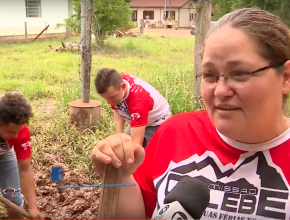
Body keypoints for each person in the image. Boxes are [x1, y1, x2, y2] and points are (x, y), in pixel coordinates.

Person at [91, 8, 290, 220]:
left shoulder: (140, 99)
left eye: (239, 73)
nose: (220, 91)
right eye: (209, 75)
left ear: (285, 78)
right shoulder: (175, 133)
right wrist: (119, 173)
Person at [94, 68, 170, 148]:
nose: (109, 102)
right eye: (106, 98)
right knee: (126, 143)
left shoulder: (138, 100)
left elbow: (137, 144)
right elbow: (118, 109)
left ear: (123, 87)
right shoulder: (116, 87)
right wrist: (119, 136)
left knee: (147, 151)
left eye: (112, 97)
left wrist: (132, 154)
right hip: (137, 114)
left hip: (156, 121)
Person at [0, 92, 43, 219]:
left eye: (18, 131)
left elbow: (24, 169)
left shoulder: (20, 133)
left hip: (4, 152)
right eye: (11, 132)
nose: (15, 137)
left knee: (13, 197)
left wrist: (33, 206)